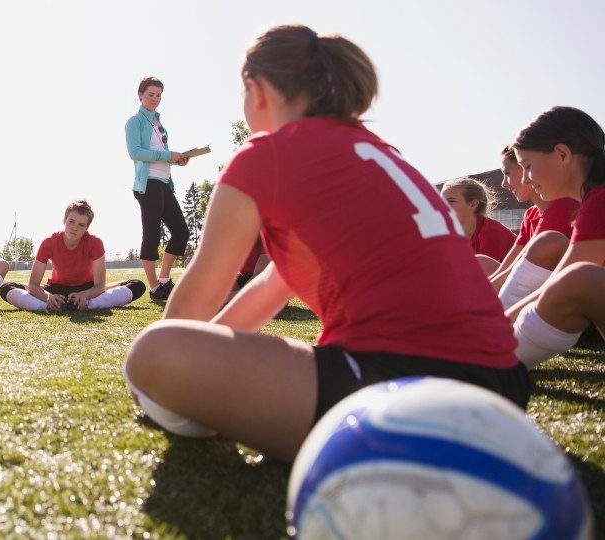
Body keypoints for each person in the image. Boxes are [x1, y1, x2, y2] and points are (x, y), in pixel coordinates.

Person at [122, 25, 528, 461]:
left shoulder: (266, 156)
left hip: (399, 385)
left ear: (256, 91)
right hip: (504, 385)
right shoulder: (378, 151)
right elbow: (271, 287)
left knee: (152, 352)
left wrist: (164, 377)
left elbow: (195, 300)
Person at [506, 106, 605, 367]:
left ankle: (478, 366)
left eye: (527, 166)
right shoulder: (593, 199)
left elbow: (560, 284)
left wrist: (494, 327)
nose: (526, 178)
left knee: (578, 280)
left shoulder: (600, 200)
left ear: (562, 154)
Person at [0, 200, 146, 312]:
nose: (75, 228)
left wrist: (85, 295)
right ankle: (47, 306)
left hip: (87, 289)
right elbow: (33, 285)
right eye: (71, 221)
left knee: (137, 285)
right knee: (6, 287)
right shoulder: (49, 242)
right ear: (64, 220)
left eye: (81, 225)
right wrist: (48, 297)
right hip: (56, 289)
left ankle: (88, 305)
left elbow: (100, 285)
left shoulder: (95, 242)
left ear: (87, 228)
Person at [126, 77, 192, 301]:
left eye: (159, 95)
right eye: (151, 94)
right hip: (148, 184)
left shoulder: (160, 125)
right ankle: (155, 287)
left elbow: (162, 156)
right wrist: (167, 156)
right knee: (152, 234)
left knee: (181, 232)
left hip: (164, 184)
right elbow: (136, 153)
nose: (155, 99)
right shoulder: (135, 122)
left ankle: (163, 280)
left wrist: (177, 160)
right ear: (140, 95)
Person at [488, 145, 578, 308]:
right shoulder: (531, 214)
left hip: (569, 292)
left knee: (547, 243)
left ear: (526, 170)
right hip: (543, 287)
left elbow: (512, 271)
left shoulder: (563, 205)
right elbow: (506, 268)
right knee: (482, 263)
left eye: (507, 174)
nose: (503, 184)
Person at [440, 177, 516, 274]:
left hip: (523, 283)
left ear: (473, 204)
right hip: (497, 282)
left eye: (451, 201)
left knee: (481, 263)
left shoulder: (491, 232)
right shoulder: (453, 235)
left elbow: (482, 274)